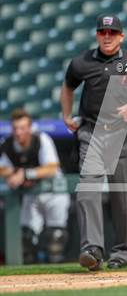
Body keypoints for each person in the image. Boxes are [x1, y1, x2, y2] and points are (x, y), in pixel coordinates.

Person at [60, 14, 127, 270]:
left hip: (124, 135)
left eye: (112, 32)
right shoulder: (81, 62)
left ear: (121, 36)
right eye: (103, 32)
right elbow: (67, 86)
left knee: (125, 198)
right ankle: (92, 249)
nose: (107, 37)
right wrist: (65, 115)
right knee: (87, 190)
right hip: (91, 133)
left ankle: (124, 252)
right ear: (97, 35)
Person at [0, 109, 70, 264]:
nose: (18, 132)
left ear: (29, 128)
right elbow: (2, 168)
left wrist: (25, 174)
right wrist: (14, 173)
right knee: (26, 237)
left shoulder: (41, 139)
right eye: (15, 128)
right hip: (32, 193)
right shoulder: (9, 144)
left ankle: (58, 277)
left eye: (22, 128)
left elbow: (51, 168)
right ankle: (30, 278)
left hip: (53, 191)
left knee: (55, 237)